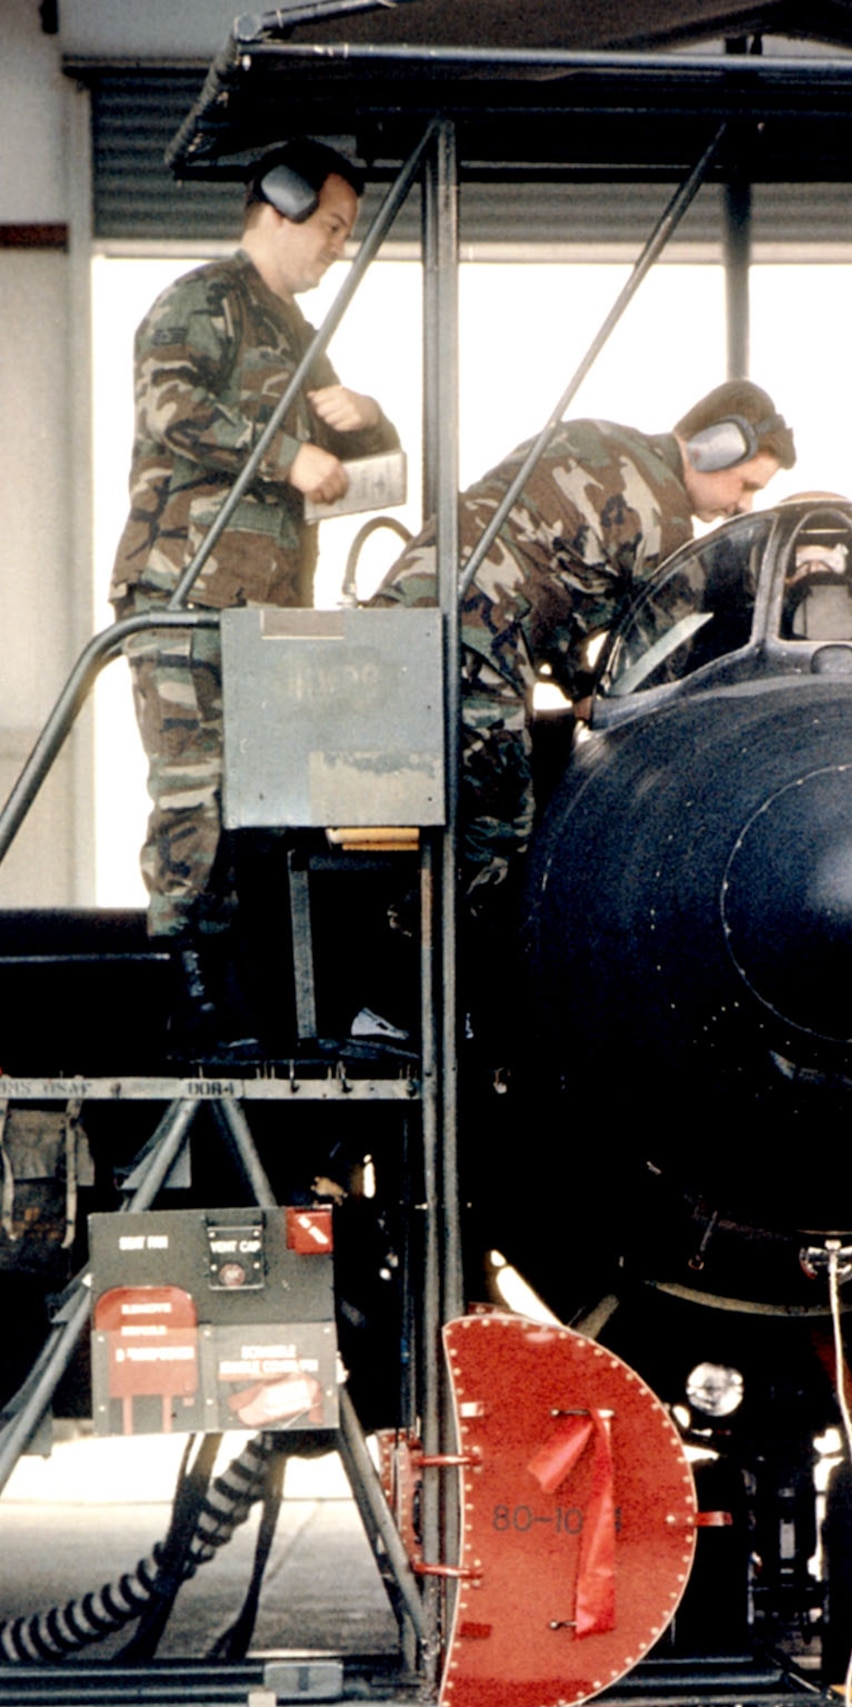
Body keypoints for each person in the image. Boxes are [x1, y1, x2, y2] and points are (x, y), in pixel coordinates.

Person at [108, 141, 399, 1040]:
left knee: (272, 809)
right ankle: (190, 996)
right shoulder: (205, 301)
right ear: (279, 204)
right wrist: (289, 453)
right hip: (185, 598)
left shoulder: (300, 338)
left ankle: (262, 1004)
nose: (339, 249)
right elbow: (169, 406)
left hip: (270, 619)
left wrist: (367, 427)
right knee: (196, 800)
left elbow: (361, 485)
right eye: (333, 227)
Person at [370, 382, 794, 921]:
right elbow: (650, 686)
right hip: (471, 653)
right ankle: (409, 963)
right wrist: (604, 700)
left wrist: (578, 688)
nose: (744, 504)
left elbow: (551, 579)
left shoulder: (594, 437)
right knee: (499, 837)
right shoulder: (665, 523)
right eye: (747, 483)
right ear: (712, 448)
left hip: (400, 623)